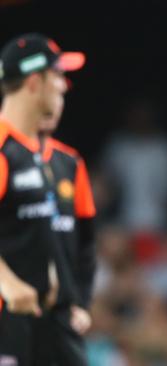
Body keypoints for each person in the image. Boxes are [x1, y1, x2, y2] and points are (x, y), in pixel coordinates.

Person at [0, 33, 86, 365]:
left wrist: (75, 298)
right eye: (58, 76)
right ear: (35, 81)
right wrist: (7, 284)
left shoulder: (50, 156)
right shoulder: (4, 149)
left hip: (48, 320)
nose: (64, 86)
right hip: (8, 320)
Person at [37, 110, 97, 365]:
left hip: (61, 314)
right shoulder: (6, 153)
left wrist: (81, 303)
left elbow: (86, 243)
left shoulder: (70, 163)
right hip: (10, 313)